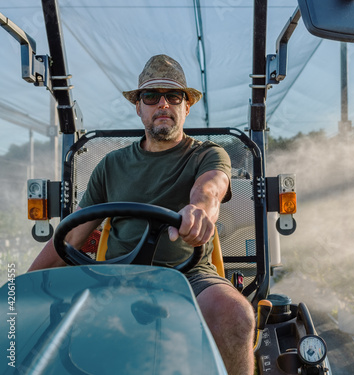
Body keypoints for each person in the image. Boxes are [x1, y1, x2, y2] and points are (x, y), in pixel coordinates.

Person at [28, 54, 255, 374]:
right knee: (55, 328)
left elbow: (210, 189)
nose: (162, 104)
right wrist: (18, 291)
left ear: (186, 106)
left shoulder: (206, 154)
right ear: (139, 107)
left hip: (189, 274)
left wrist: (199, 210)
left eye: (173, 95)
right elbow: (71, 236)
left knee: (235, 314)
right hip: (116, 276)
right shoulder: (110, 166)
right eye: (151, 96)